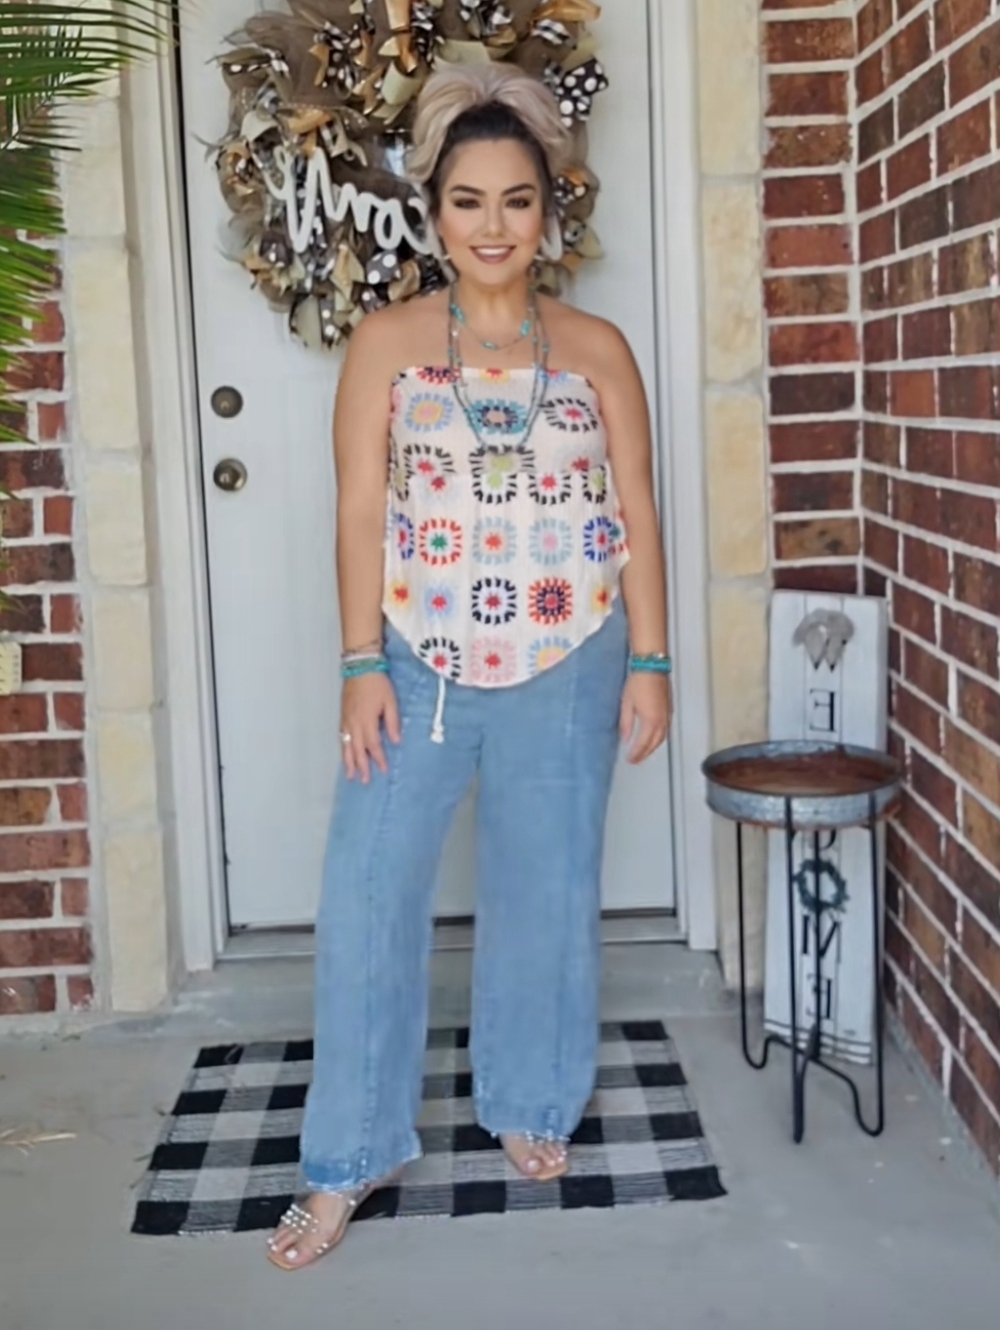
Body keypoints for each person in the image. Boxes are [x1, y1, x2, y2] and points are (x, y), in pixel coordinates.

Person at [267, 61, 672, 1272]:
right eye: (466, 201)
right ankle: (347, 1155)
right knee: (369, 901)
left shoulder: (597, 346)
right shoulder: (387, 344)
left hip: (571, 654)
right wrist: (357, 664)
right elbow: (353, 514)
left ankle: (530, 1101)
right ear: (432, 211)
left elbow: (636, 509)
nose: (492, 226)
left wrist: (648, 657)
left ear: (550, 211)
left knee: (546, 893)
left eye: (516, 200)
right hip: (415, 658)